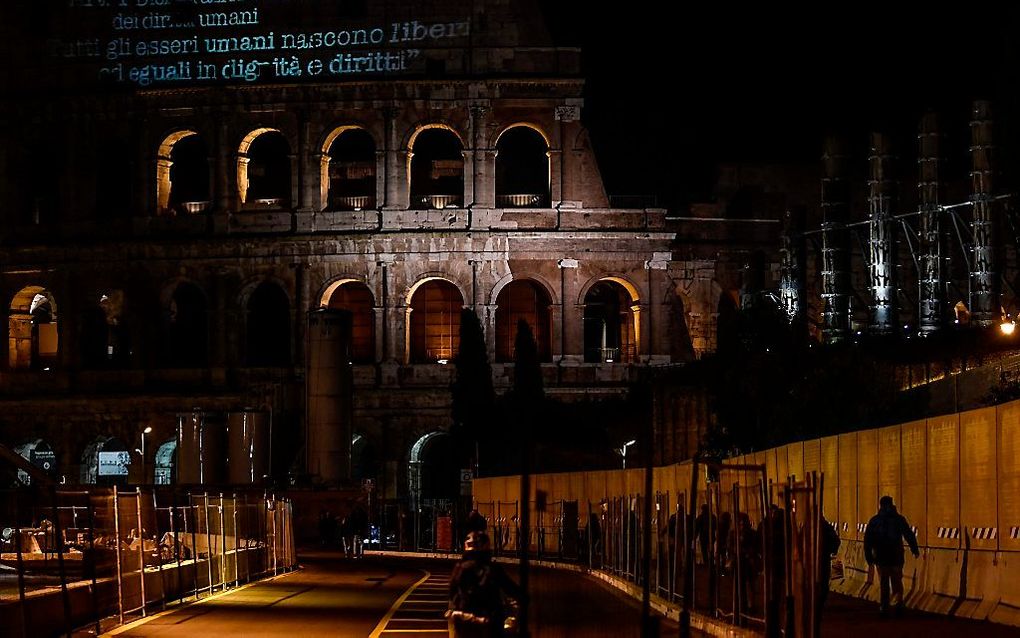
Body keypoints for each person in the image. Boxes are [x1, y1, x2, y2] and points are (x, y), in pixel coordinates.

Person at [448, 531, 523, 637]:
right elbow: (512, 590)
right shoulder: (492, 569)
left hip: (464, 621)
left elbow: (452, 593)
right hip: (488, 622)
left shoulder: (459, 568)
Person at [863, 496, 919, 616]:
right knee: (897, 580)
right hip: (896, 556)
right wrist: (914, 548)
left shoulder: (875, 521)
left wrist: (869, 556)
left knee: (884, 582)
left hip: (881, 556)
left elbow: (868, 540)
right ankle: (898, 603)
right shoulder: (898, 519)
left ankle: (885, 606)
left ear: (880, 505)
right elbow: (908, 534)